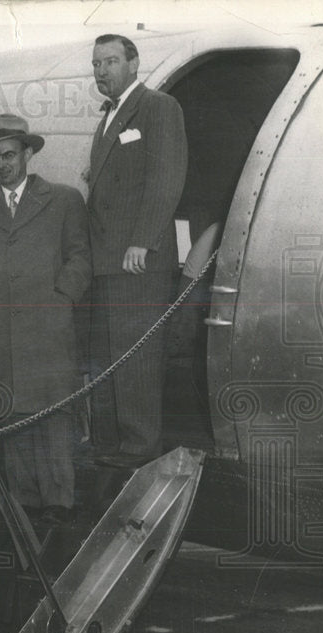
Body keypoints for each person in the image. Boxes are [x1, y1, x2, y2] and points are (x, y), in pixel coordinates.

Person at [0, 113, 92, 527]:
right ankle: (26, 513)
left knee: (53, 421)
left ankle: (59, 510)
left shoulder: (64, 201)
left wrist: (60, 300)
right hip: (4, 342)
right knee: (13, 423)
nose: (2, 165)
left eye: (10, 155)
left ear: (28, 153)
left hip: (50, 340)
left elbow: (81, 257)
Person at [87, 33, 188, 468]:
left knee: (136, 358)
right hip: (106, 260)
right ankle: (111, 445)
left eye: (110, 61)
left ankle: (138, 449)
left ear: (134, 63)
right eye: (96, 64)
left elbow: (167, 177)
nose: (102, 70)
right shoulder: (108, 116)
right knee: (109, 355)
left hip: (136, 260)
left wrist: (142, 241)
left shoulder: (157, 107)